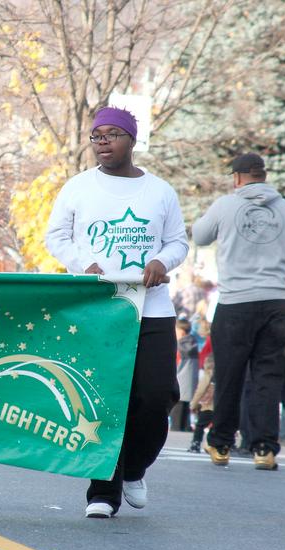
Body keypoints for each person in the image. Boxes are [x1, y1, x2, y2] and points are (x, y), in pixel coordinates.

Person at [45, 106, 188, 518]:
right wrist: (80, 264)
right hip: (101, 308)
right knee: (105, 402)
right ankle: (102, 492)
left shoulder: (159, 191)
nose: (103, 142)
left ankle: (135, 468)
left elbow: (178, 241)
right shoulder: (78, 188)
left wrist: (163, 261)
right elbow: (56, 236)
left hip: (152, 310)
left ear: (132, 139)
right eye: (96, 136)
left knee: (156, 396)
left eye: (112, 134)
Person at [192, 152, 285, 471]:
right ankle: (264, 448)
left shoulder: (225, 205)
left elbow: (200, 236)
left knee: (229, 375)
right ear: (264, 175)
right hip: (275, 303)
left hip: (235, 302)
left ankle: (220, 444)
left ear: (236, 178)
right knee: (268, 376)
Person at [171, 318, 198, 432]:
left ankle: (177, 431)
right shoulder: (193, 343)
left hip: (179, 383)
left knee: (176, 417)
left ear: (181, 331)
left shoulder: (179, 346)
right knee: (185, 413)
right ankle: (185, 428)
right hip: (189, 384)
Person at [188, 355, 215, 452]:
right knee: (215, 427)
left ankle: (196, 444)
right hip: (219, 407)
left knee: (200, 426)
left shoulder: (208, 375)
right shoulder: (222, 375)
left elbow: (200, 391)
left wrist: (193, 404)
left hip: (208, 406)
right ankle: (212, 444)